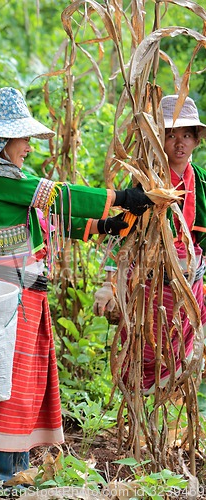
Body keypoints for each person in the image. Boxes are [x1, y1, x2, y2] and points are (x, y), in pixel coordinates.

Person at [0, 87, 153, 484]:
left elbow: (53, 222)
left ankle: (15, 468)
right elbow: (59, 197)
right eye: (22, 138)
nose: (28, 146)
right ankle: (0, 475)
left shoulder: (8, 180)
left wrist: (104, 225)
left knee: (25, 382)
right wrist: (120, 197)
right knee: (9, 382)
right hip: (6, 305)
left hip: (23, 302)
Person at [93, 94, 206, 394]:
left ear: (196, 140)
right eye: (170, 136)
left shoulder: (203, 183)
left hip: (189, 285)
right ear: (158, 140)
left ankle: (170, 429)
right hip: (150, 285)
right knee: (147, 351)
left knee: (184, 353)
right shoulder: (147, 185)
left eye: (186, 135)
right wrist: (109, 284)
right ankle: (138, 421)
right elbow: (123, 231)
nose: (179, 143)